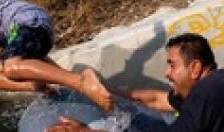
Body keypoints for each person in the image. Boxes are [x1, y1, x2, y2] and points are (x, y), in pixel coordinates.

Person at [46, 33, 224, 132]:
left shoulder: (207, 91)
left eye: (172, 64)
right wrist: (99, 92)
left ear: (195, 68)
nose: (166, 73)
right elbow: (154, 99)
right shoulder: (206, 90)